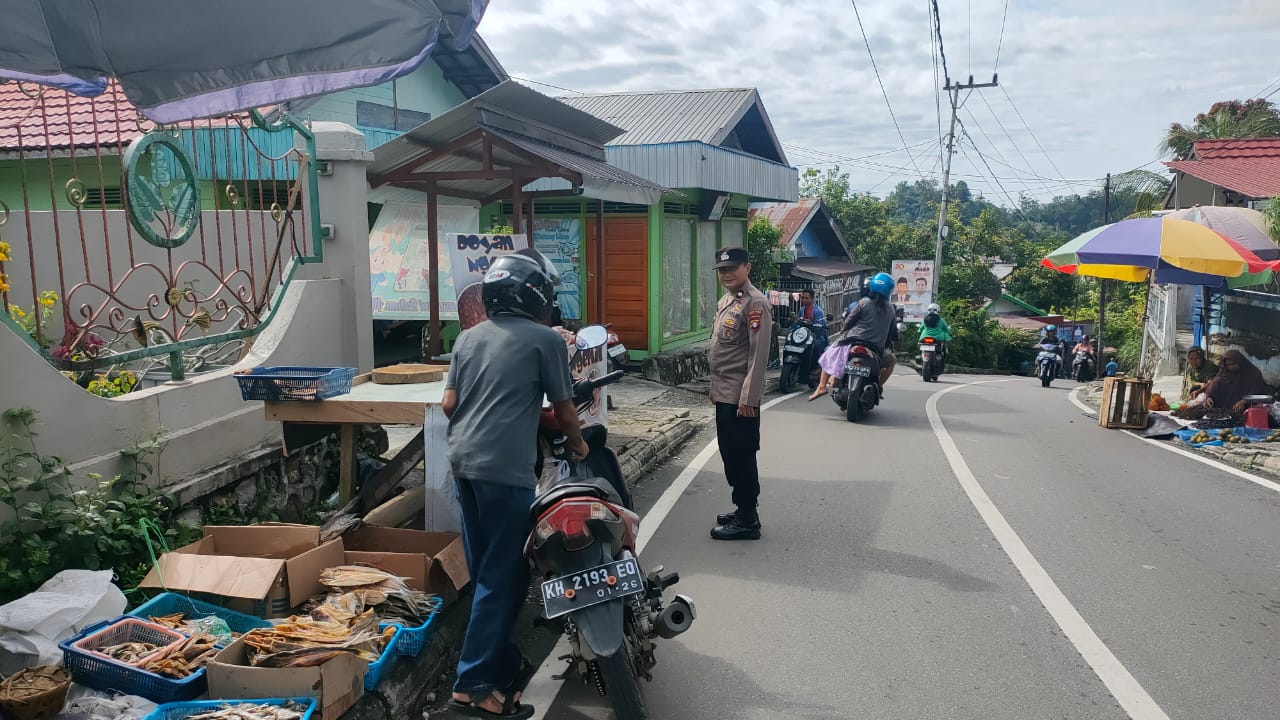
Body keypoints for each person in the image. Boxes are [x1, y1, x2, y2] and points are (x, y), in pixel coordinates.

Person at [442, 249, 587, 719]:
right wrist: (578, 445)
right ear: (536, 297)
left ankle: (502, 667)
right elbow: (565, 410)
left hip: (462, 463)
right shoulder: (545, 340)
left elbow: (449, 404)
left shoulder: (468, 338)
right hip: (505, 469)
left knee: (487, 571)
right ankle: (472, 687)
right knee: (505, 576)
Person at [708, 246, 772, 541]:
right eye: (722, 270)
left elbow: (758, 355)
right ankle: (743, 509)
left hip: (740, 398)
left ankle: (748, 520)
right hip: (725, 393)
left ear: (747, 267)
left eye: (732, 268)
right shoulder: (728, 300)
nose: (726, 274)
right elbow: (721, 351)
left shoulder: (755, 303)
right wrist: (714, 389)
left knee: (741, 456)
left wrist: (749, 397)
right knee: (730, 454)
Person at [810, 272, 897, 400]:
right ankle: (878, 386)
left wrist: (842, 334)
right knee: (892, 361)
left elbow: (848, 322)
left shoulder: (863, 302)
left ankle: (822, 386)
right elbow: (893, 333)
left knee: (829, 354)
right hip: (875, 348)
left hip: (851, 341)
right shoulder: (890, 309)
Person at [1204, 349, 1271, 413]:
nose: (1231, 367)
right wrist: (1208, 397)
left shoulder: (1253, 374)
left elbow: (1257, 392)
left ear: (1239, 362)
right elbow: (1213, 385)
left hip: (1247, 409)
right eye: (1228, 365)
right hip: (1223, 411)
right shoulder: (1224, 372)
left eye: (1233, 364)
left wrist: (1244, 401)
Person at [794, 289, 829, 355]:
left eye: (806, 298)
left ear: (812, 299)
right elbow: (798, 322)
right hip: (804, 335)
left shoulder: (817, 311)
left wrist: (811, 323)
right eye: (803, 298)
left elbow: (821, 325)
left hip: (817, 336)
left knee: (816, 346)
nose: (804, 300)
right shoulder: (802, 310)